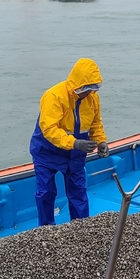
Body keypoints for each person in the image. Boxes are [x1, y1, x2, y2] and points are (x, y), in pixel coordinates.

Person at [29, 58, 109, 226]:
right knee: (46, 192)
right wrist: (74, 143)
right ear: (77, 84)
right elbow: (49, 129)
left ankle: (80, 229)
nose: (89, 93)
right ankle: (46, 230)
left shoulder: (92, 98)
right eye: (86, 88)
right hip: (47, 152)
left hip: (75, 155)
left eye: (93, 89)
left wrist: (101, 141)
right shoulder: (54, 96)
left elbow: (95, 123)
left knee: (78, 192)